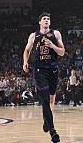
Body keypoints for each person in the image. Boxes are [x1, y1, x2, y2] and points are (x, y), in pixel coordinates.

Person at [23, 12, 65, 143]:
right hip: (39, 70)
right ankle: (53, 131)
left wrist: (52, 46)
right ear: (40, 22)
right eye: (44, 19)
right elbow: (27, 50)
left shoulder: (56, 34)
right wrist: (25, 62)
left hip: (53, 70)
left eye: (48, 19)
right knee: (45, 100)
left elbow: (62, 52)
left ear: (50, 22)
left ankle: (47, 121)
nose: (46, 20)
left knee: (51, 100)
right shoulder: (33, 35)